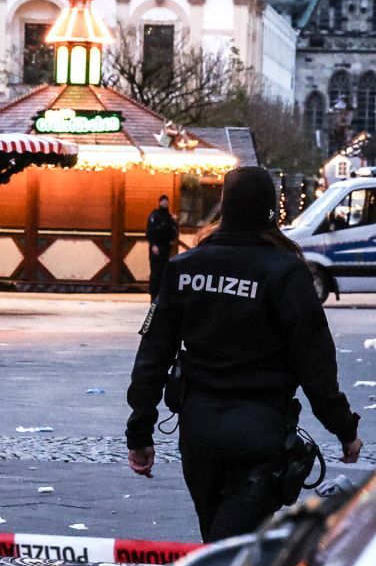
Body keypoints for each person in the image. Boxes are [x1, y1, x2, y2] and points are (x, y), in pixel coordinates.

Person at [126, 166, 363, 542]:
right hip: (260, 431)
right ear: (271, 211)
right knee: (228, 552)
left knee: (218, 543)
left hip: (198, 429)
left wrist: (140, 429)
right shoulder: (286, 272)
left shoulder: (184, 269)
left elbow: (152, 355)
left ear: (225, 208)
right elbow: (315, 363)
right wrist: (344, 429)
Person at [145, 194, 180, 300]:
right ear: (159, 202)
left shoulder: (170, 217)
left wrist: (172, 241)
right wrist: (153, 244)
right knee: (156, 272)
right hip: (156, 248)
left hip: (166, 248)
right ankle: (153, 295)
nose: (165, 203)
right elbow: (150, 231)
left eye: (166, 201)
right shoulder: (154, 216)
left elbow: (174, 231)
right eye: (163, 201)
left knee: (165, 271)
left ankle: (162, 294)